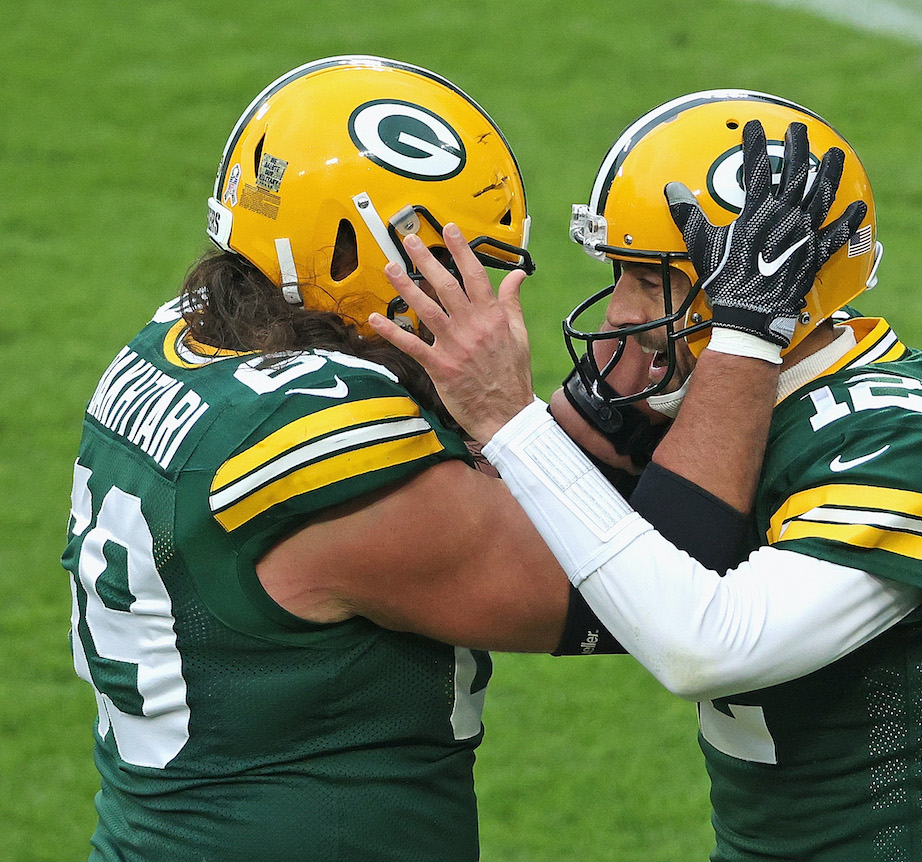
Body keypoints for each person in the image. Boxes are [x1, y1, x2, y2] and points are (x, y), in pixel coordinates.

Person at [372, 91, 922, 861]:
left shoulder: (895, 441)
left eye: (652, 282)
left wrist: (512, 419)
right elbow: (512, 514)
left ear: (776, 290)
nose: (621, 311)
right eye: (620, 274)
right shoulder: (722, 398)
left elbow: (704, 644)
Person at [60, 55, 603, 861]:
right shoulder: (319, 438)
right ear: (360, 253)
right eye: (459, 261)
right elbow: (619, 588)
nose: (477, 291)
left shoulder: (174, 340)